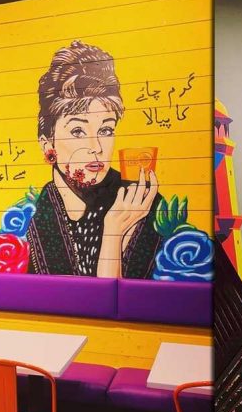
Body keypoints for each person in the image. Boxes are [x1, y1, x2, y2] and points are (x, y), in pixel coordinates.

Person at [26, 40, 163, 278]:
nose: (96, 147)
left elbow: (124, 300)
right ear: (48, 145)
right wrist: (113, 233)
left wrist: (115, 231)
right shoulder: (29, 218)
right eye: (78, 131)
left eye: (106, 130)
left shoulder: (141, 204)